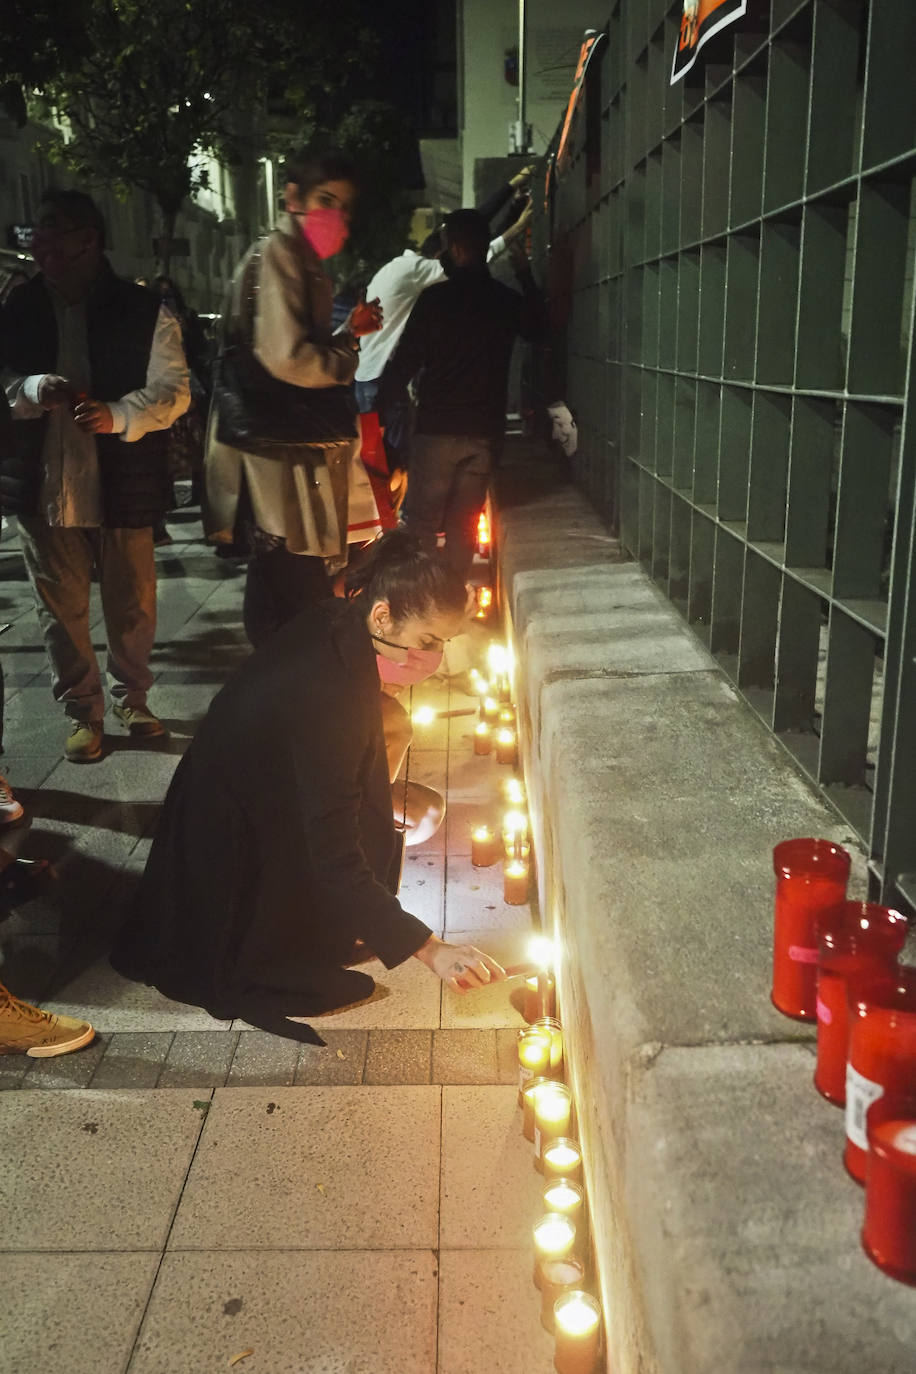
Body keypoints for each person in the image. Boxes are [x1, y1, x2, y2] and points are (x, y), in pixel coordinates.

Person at [110, 530, 505, 1042]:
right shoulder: (327, 694)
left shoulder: (340, 619)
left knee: (406, 805)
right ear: (383, 616)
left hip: (255, 792)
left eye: (443, 643)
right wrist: (430, 948)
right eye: (428, 641)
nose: (432, 658)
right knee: (364, 846)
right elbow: (332, 852)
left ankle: (351, 913)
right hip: (228, 840)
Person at [0, 189, 190, 763]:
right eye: (37, 229)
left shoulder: (141, 309)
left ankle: (132, 697)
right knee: (60, 607)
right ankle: (83, 711)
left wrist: (119, 415)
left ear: (89, 240)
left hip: (122, 479)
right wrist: (33, 388)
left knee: (133, 603)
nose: (40, 241)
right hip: (43, 481)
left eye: (53, 229)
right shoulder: (19, 306)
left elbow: (173, 391)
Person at [205, 143, 383, 648]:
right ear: (293, 198)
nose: (336, 216)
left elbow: (293, 348)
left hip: (281, 442)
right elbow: (286, 357)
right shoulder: (281, 253)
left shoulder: (297, 258)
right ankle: (292, 685)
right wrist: (345, 359)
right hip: (277, 448)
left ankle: (282, 684)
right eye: (326, 200)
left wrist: (348, 334)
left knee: (282, 572)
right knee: (293, 573)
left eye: (344, 206)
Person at [377, 209, 544, 579]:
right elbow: (540, 329)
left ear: (453, 247)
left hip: (437, 430)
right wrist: (525, 275)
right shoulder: (503, 299)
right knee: (463, 525)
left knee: (420, 524)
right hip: (483, 434)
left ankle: (420, 605)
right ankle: (452, 600)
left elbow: (403, 363)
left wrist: (376, 414)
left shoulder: (434, 301)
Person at [354, 171, 536, 418]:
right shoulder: (416, 272)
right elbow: (475, 250)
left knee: (379, 452)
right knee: (388, 454)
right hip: (379, 379)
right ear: (443, 253)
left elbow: (473, 235)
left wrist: (512, 187)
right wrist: (517, 229)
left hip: (370, 377)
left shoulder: (401, 269)